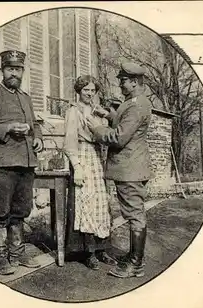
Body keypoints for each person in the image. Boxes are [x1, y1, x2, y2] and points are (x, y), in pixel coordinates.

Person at [0, 50, 44, 275]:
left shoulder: (25, 97)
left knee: (22, 210)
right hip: (4, 163)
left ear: (22, 71)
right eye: (10, 69)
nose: (14, 73)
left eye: (18, 69)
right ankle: (0, 257)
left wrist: (38, 139)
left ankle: (17, 254)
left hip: (26, 163)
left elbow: (35, 124)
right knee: (2, 211)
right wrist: (8, 128)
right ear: (2, 70)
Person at [86, 62, 153, 278]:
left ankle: (136, 263)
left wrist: (97, 130)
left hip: (130, 169)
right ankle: (135, 257)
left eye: (123, 81)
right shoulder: (135, 102)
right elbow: (123, 122)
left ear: (134, 82)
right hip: (132, 167)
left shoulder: (135, 105)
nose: (120, 84)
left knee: (135, 214)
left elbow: (119, 137)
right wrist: (107, 115)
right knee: (134, 213)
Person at [63, 75, 117, 270]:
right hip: (82, 155)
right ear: (79, 91)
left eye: (93, 90)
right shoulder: (73, 111)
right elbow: (69, 141)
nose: (90, 93)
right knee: (86, 202)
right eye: (86, 90)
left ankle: (102, 250)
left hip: (96, 155)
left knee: (101, 203)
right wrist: (77, 167)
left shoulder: (97, 111)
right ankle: (89, 252)